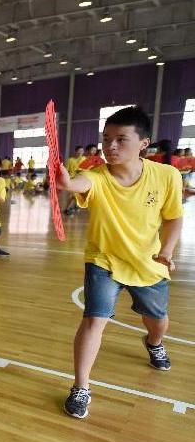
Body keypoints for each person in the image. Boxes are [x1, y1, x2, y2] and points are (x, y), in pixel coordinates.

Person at [54, 106, 183, 419]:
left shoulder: (166, 175)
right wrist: (67, 184)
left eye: (120, 139)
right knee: (94, 320)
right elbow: (80, 184)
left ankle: (154, 343)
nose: (110, 146)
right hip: (104, 260)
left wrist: (167, 250)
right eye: (106, 139)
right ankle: (81, 387)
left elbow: (173, 218)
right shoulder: (96, 176)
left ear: (143, 144)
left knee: (158, 321)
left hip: (149, 262)